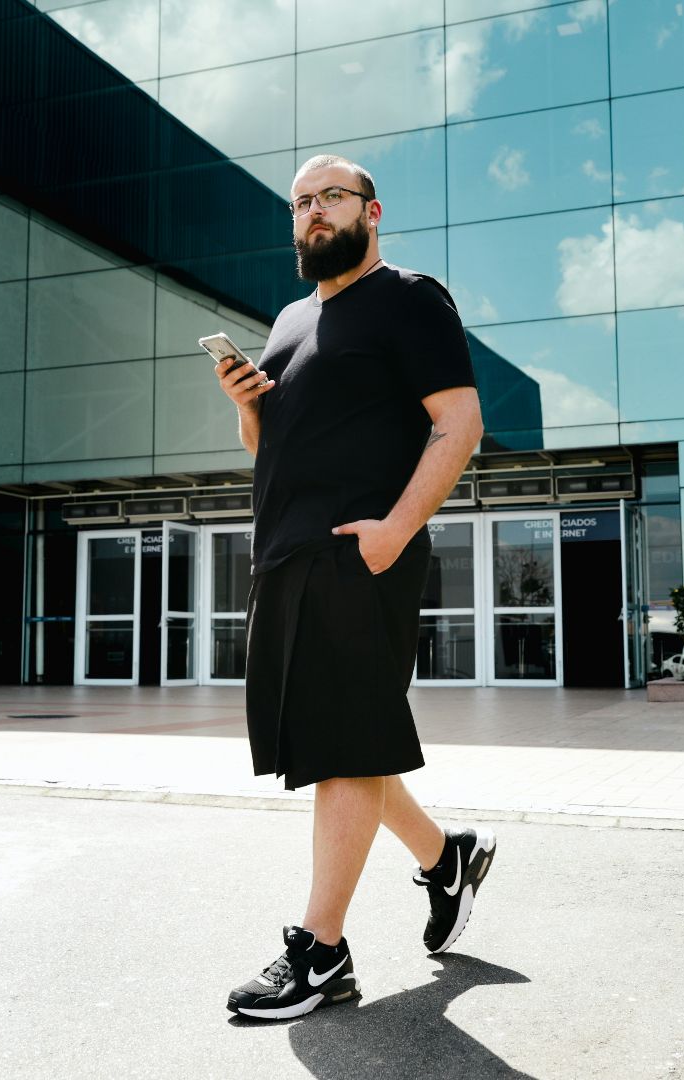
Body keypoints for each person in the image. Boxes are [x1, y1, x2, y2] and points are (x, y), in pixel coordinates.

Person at [213, 155, 498, 1020]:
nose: (312, 213)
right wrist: (246, 404)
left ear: (372, 211)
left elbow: (460, 423)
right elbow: (277, 453)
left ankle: (323, 953)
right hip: (289, 555)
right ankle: (446, 855)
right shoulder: (292, 318)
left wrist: (394, 533)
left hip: (359, 554)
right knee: (341, 737)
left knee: (343, 743)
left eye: (330, 198)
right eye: (300, 203)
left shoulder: (409, 297)